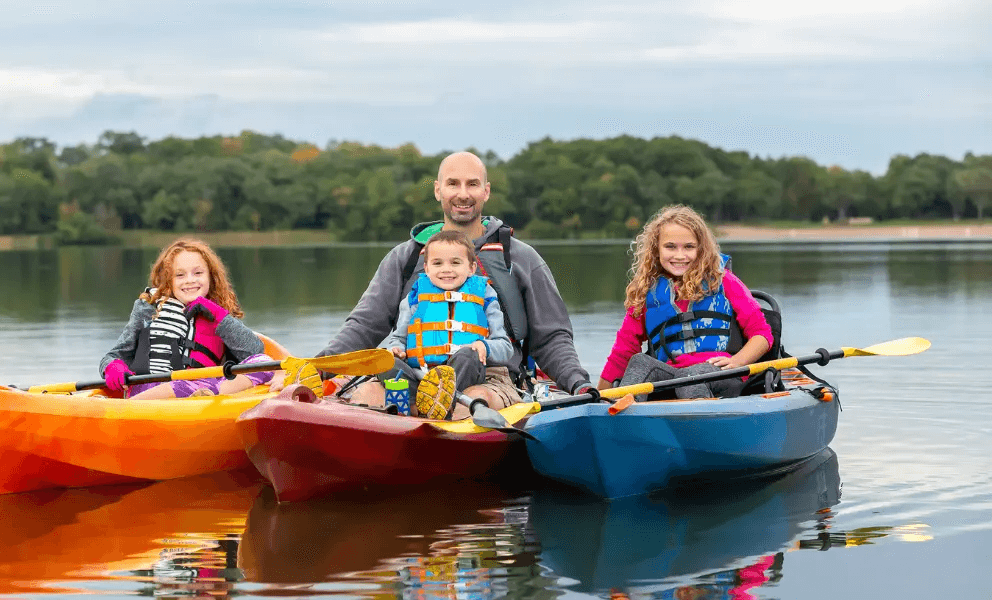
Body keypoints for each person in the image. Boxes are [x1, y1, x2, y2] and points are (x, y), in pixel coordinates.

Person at [283, 151, 593, 419]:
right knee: (370, 398)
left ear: (486, 192)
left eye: (472, 184)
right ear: (437, 191)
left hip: (491, 378)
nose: (462, 194)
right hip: (415, 374)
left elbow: (552, 338)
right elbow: (364, 327)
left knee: (467, 403)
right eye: (452, 184)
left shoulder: (521, 259)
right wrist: (317, 367)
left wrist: (579, 383)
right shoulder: (405, 258)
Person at [598, 205, 773, 400]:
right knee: (640, 362)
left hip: (720, 373)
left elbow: (762, 334)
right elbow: (622, 353)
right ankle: (616, 414)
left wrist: (739, 361)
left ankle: (699, 425)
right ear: (656, 249)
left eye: (689, 247)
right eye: (670, 246)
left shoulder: (725, 281)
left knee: (691, 376)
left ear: (701, 249)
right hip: (672, 376)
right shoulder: (646, 293)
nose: (680, 256)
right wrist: (597, 398)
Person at [99, 237, 273, 399]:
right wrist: (112, 366)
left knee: (263, 362)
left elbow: (254, 351)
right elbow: (114, 355)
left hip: (202, 393)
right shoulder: (148, 308)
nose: (190, 280)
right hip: (150, 392)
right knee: (179, 386)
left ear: (210, 277)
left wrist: (218, 315)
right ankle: (136, 405)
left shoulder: (219, 315)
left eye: (198, 273)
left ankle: (206, 394)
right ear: (168, 280)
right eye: (180, 275)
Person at [385, 230, 515, 419]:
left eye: (455, 262)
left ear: (471, 268)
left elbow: (505, 348)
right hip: (420, 375)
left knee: (468, 355)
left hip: (463, 373)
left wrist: (484, 347)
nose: (446, 269)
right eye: (437, 263)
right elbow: (398, 338)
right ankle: (428, 402)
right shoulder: (414, 297)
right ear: (427, 268)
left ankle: (441, 403)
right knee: (388, 363)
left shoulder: (485, 295)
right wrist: (394, 348)